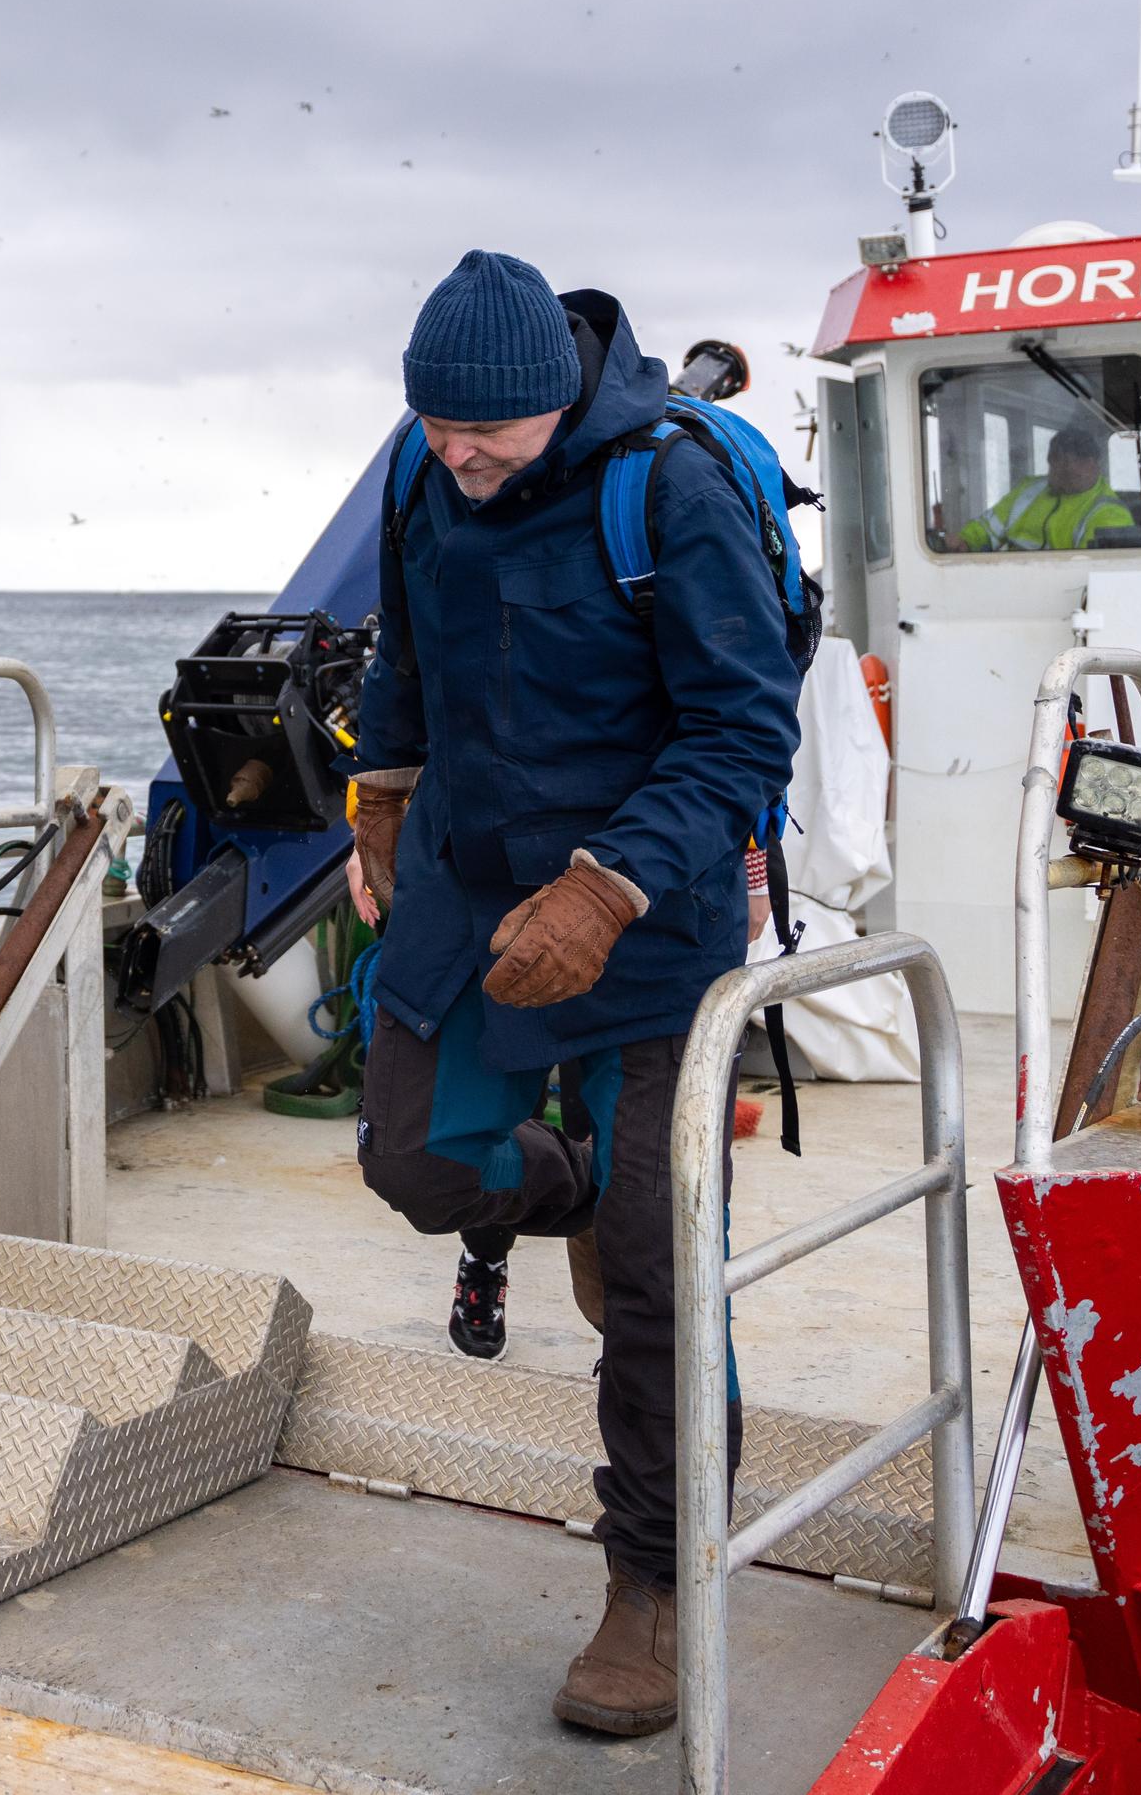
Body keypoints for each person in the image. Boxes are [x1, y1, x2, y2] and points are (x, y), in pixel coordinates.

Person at [338, 249, 800, 1739]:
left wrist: (609, 883)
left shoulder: (665, 489)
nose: (456, 455)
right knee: (411, 1160)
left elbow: (743, 733)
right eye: (434, 426)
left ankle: (653, 1584)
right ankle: (583, 1189)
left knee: (658, 1273)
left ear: (558, 396)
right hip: (472, 890)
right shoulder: (431, 478)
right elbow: (406, 648)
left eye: (483, 431)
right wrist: (385, 790)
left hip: (645, 920)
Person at [952, 421, 1135, 551]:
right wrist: (965, 541)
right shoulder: (1028, 489)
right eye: (1055, 462)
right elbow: (987, 528)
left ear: (1093, 464)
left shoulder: (1111, 514)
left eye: (1072, 463)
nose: (1061, 470)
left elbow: (1092, 570)